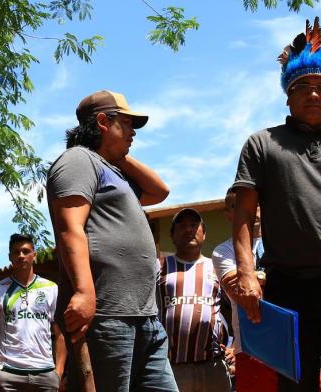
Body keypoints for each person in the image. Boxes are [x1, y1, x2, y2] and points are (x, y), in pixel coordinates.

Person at [46, 90, 178, 391]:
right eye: (127, 124)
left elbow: (160, 191)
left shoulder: (115, 172)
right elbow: (71, 228)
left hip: (145, 318)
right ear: (103, 121)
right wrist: (83, 291)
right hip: (107, 315)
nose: (133, 133)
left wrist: (119, 152)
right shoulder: (78, 161)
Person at [232, 17, 321, 391]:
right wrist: (247, 273)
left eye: (320, 86)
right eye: (303, 87)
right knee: (294, 384)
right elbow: (241, 213)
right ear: (288, 95)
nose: (313, 94)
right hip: (288, 287)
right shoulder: (262, 143)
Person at [156, 208, 232, 392]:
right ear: (172, 235)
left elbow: (237, 309)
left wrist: (235, 346)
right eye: (181, 225)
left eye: (194, 225)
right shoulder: (159, 265)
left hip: (212, 366)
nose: (188, 229)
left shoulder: (217, 267)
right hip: (171, 367)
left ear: (204, 234)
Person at [212, 188, 277, 392]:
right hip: (250, 347)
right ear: (229, 214)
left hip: (293, 342)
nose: (250, 210)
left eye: (255, 204)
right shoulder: (223, 251)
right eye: (236, 206)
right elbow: (241, 293)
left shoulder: (282, 242)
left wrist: (252, 277)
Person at [0, 233, 66, 391]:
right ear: (10, 256)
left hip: (45, 374)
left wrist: (58, 372)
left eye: (25, 251)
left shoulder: (50, 288)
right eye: (16, 252)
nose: (21, 256)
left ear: (34, 255)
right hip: (9, 375)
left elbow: (60, 334)